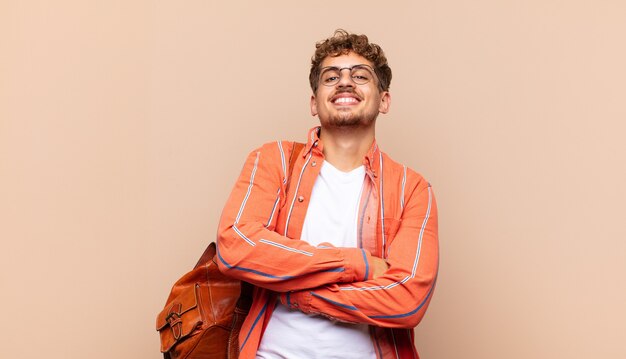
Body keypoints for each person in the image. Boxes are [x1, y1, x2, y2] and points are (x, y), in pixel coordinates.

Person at [216, 29, 439, 359]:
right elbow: (235, 246)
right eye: (331, 76)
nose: (345, 82)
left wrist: (300, 296)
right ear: (313, 102)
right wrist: (356, 264)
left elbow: (407, 299)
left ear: (385, 100)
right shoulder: (273, 160)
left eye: (360, 75)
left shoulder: (412, 188)